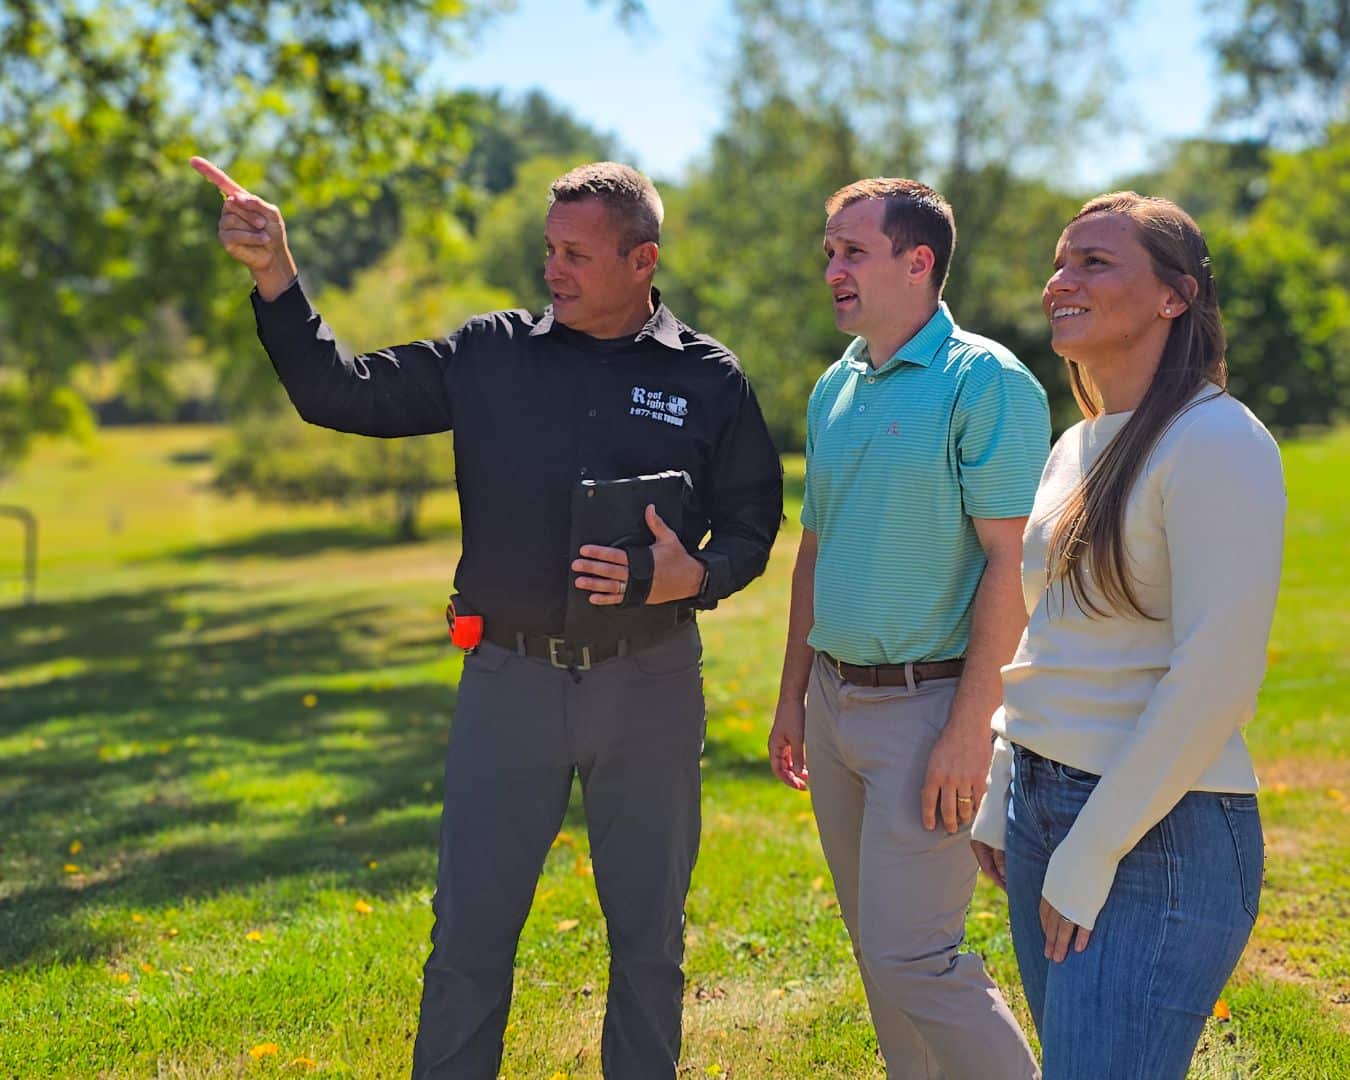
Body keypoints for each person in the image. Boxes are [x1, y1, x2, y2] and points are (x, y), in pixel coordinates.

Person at [193, 156, 783, 1079]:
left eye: (576, 254)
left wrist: (694, 576)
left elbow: (754, 521)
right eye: (550, 249)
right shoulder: (489, 353)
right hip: (509, 684)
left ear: (643, 260)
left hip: (651, 685)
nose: (553, 270)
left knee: (649, 940)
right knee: (468, 934)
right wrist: (277, 275)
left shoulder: (709, 378)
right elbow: (339, 391)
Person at [970, 192, 1285, 1079]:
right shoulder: (1075, 446)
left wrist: (1095, 847)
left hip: (1161, 834)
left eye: (1095, 263)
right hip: (1045, 806)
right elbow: (1050, 635)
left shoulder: (1217, 441)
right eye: (1060, 263)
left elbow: (1217, 676)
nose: (1059, 283)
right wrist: (1005, 784)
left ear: (1174, 296)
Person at [768, 177, 1047, 1078]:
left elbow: (1012, 565)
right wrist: (792, 699)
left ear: (918, 261)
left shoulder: (984, 380)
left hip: (931, 710)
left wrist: (972, 732)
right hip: (833, 704)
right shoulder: (834, 387)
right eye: (829, 253)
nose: (832, 270)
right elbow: (815, 554)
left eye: (853, 251)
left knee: (913, 958)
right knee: (877, 952)